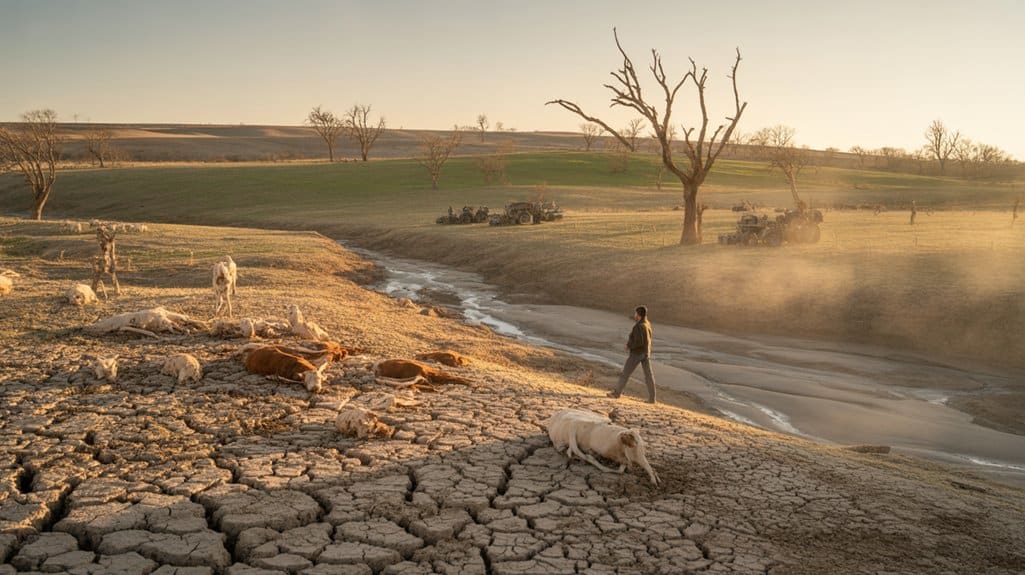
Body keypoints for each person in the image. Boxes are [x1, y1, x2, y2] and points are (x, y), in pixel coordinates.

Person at [608, 305, 656, 403]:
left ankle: (616, 393)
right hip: (646, 353)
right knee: (648, 376)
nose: (634, 315)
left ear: (638, 314)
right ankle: (652, 399)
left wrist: (629, 346)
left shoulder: (638, 326)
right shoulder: (647, 324)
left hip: (637, 353)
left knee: (625, 373)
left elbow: (638, 341)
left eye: (635, 313)